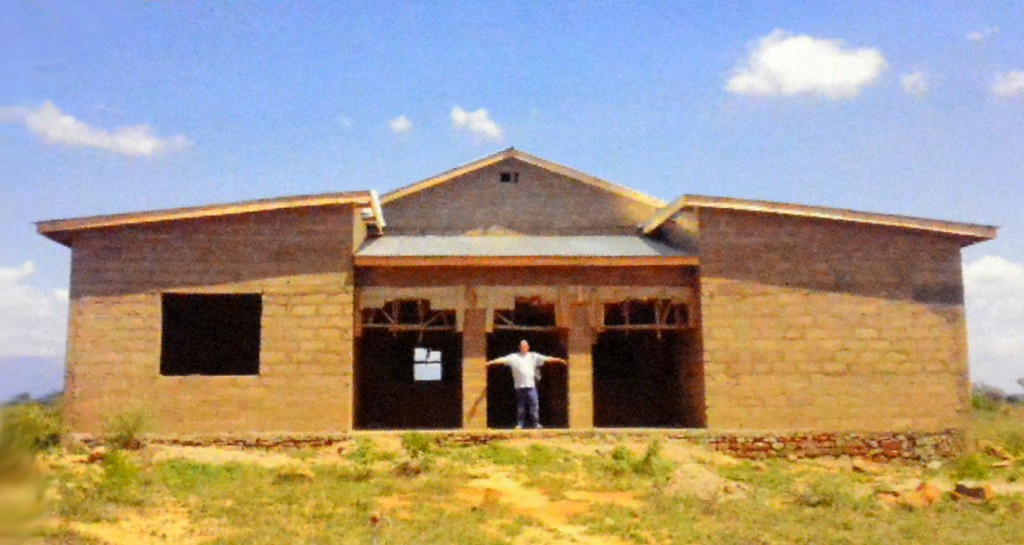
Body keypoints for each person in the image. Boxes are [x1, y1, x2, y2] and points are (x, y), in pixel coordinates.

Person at [486, 339, 567, 429]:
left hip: (531, 386)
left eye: (525, 346)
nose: (524, 348)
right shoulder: (514, 357)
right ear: (519, 347)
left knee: (534, 404)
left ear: (528, 347)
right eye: (522, 346)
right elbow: (502, 359)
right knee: (521, 406)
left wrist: (559, 360)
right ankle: (520, 424)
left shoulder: (533, 356)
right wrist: (490, 363)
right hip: (519, 386)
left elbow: (546, 359)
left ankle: (536, 423)